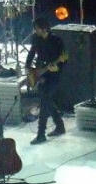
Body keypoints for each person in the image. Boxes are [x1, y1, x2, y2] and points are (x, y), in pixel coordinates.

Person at [26, 17, 68, 145]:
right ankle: (60, 126)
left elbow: (64, 58)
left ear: (44, 28)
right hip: (41, 73)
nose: (35, 31)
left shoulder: (56, 40)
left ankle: (41, 134)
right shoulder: (36, 39)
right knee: (47, 99)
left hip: (54, 75)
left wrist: (57, 67)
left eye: (37, 28)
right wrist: (28, 67)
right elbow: (32, 53)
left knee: (44, 102)